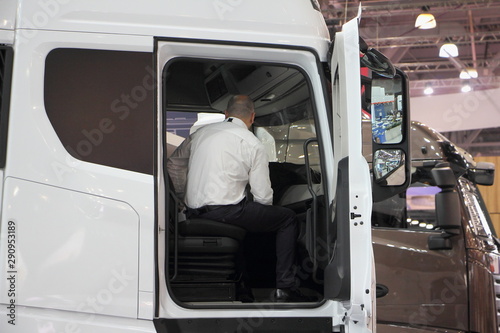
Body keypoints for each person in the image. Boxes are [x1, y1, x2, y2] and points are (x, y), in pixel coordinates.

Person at [167, 95, 314, 302]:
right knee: (287, 219)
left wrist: (183, 199)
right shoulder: (252, 144)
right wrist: (264, 215)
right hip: (227, 212)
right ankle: (286, 287)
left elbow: (173, 164)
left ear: (226, 114)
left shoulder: (200, 134)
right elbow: (263, 196)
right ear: (252, 116)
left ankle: (244, 288)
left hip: (193, 212)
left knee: (245, 218)